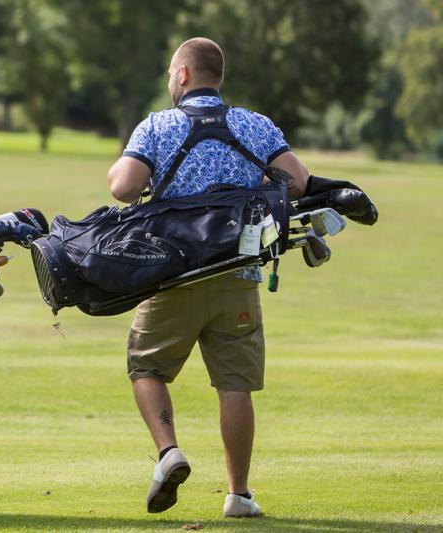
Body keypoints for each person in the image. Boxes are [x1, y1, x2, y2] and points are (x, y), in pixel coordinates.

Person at [107, 37, 309, 517]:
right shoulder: (256, 126)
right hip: (238, 275)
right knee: (234, 384)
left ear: (181, 76)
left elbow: (122, 187)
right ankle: (238, 494)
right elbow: (299, 181)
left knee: (147, 368)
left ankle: (168, 451)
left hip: (172, 275)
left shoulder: (158, 125)